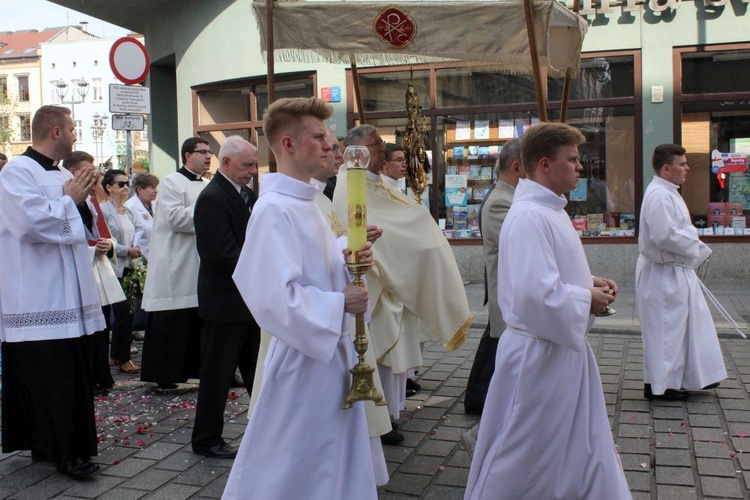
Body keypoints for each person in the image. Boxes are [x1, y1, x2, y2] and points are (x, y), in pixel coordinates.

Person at [465, 122, 630, 500]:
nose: (579, 168)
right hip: (537, 355)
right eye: (571, 160)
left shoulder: (548, 210)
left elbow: (549, 272)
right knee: (524, 451)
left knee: (574, 442)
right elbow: (531, 294)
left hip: (557, 351)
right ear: (544, 164)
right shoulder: (527, 216)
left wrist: (589, 281)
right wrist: (585, 298)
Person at [223, 97, 377, 499]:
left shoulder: (310, 204)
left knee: (329, 460)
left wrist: (349, 260)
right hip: (303, 363)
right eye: (319, 137)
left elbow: (316, 273)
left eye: (329, 137)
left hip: (330, 354)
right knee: (294, 464)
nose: (331, 146)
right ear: (288, 145)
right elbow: (272, 298)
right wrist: (339, 303)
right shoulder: (275, 209)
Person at [332, 125, 471, 430]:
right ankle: (378, 420)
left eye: (381, 143)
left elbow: (398, 219)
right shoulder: (349, 184)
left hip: (393, 277)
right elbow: (361, 229)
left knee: (391, 359)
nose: (383, 148)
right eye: (376, 144)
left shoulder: (373, 181)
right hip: (375, 280)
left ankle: (390, 415)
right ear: (358, 150)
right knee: (376, 353)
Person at [0, 105, 104, 480]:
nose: (76, 136)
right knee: (52, 382)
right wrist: (70, 201)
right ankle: (65, 454)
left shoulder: (62, 174)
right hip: (37, 297)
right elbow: (28, 224)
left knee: (68, 380)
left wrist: (85, 200)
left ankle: (54, 446)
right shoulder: (16, 172)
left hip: (68, 297)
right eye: (73, 129)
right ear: (56, 131)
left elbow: (82, 223)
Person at [636, 144, 726, 401]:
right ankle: (661, 386)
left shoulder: (667, 192)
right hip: (663, 272)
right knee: (666, 329)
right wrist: (694, 239)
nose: (687, 168)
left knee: (682, 328)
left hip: (673, 270)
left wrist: (689, 237)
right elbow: (665, 236)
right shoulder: (659, 196)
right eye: (682, 164)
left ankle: (681, 378)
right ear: (667, 168)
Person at [191, 135, 261, 459]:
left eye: (255, 164)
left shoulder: (243, 193)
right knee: (217, 376)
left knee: (257, 371)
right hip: (224, 302)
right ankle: (206, 439)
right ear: (227, 163)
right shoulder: (212, 197)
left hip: (246, 302)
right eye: (248, 165)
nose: (253, 171)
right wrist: (261, 270)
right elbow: (222, 253)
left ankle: (269, 426)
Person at [141, 137, 209, 391]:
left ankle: (197, 371)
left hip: (197, 261)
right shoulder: (171, 182)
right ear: (187, 155)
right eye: (202, 152)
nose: (207, 156)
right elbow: (176, 219)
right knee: (173, 323)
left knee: (196, 322)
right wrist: (208, 211)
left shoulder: (209, 184)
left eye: (209, 152)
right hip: (176, 263)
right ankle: (166, 374)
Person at [464, 138, 523, 416]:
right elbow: (518, 245)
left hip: (507, 289)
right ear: (518, 167)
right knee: (496, 341)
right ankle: (478, 398)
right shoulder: (501, 201)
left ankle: (478, 397)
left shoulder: (508, 196)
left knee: (494, 340)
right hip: (505, 287)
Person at [63, 152, 123, 396]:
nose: (92, 173)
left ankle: (101, 376)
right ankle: (87, 378)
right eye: (85, 170)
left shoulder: (91, 200)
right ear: (71, 172)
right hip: (79, 269)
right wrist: (93, 247)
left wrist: (107, 244)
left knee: (101, 326)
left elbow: (101, 231)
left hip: (98, 266)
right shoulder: (64, 196)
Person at [101, 169, 142, 374]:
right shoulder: (103, 210)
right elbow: (106, 239)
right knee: (123, 311)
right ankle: (122, 357)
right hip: (112, 268)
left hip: (129, 268)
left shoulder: (129, 211)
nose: (125, 187)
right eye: (120, 184)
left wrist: (137, 248)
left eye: (127, 183)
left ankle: (117, 354)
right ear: (108, 187)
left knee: (128, 312)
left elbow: (137, 232)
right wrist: (127, 250)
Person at [125, 172, 159, 260]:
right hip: (140, 258)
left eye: (155, 187)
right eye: (152, 187)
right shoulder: (130, 207)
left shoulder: (157, 206)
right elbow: (130, 235)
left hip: (157, 256)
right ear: (140, 189)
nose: (156, 191)